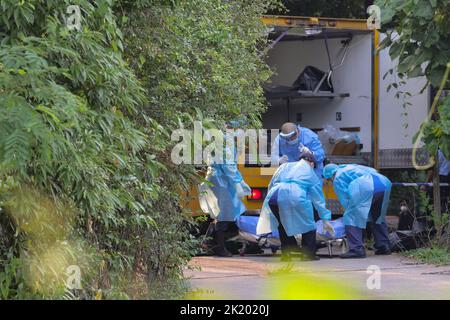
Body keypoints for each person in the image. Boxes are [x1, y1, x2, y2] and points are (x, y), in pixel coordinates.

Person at [257, 152, 334, 261]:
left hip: (274, 196)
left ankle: (287, 254)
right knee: (309, 224)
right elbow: (318, 199)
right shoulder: (309, 172)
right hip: (296, 197)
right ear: (311, 163)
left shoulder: (284, 166)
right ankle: (307, 254)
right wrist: (325, 219)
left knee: (283, 224)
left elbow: (271, 184)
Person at [199, 122, 251, 257]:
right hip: (222, 180)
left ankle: (213, 243)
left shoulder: (215, 140)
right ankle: (219, 247)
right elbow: (229, 166)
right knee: (224, 214)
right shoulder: (225, 143)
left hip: (215, 178)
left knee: (219, 213)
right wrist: (238, 182)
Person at [323, 163, 392, 258]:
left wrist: (349, 216)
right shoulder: (349, 167)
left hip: (366, 185)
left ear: (329, 176)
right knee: (378, 216)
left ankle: (356, 249)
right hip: (384, 182)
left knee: (350, 216)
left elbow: (345, 200)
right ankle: (384, 246)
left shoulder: (337, 178)